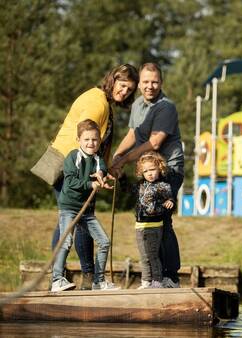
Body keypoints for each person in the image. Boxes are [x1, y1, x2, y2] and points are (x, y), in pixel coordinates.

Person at [50, 64, 139, 290]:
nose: (124, 92)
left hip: (73, 164)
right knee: (76, 219)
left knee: (74, 219)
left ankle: (81, 280)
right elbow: (87, 138)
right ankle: (77, 280)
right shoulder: (97, 102)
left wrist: (106, 169)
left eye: (129, 90)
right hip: (68, 166)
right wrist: (95, 172)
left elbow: (95, 146)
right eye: (122, 86)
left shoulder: (103, 101)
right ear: (112, 80)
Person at [111, 62, 184, 288]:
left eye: (154, 82)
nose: (149, 86)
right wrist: (117, 155)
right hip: (149, 169)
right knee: (148, 219)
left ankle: (170, 276)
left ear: (161, 83)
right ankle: (155, 277)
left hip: (168, 169)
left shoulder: (166, 107)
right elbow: (134, 133)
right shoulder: (138, 105)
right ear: (139, 84)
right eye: (145, 82)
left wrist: (124, 161)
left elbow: (154, 142)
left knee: (163, 220)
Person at [51, 119, 118, 291]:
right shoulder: (73, 156)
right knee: (66, 242)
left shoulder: (98, 159)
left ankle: (98, 281)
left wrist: (102, 177)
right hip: (69, 207)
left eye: (95, 139)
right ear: (78, 140)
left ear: (99, 141)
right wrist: (91, 184)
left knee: (104, 242)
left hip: (86, 210)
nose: (91, 143)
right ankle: (57, 279)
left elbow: (101, 169)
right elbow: (71, 181)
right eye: (87, 139)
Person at [123, 151, 174, 289]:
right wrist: (121, 177)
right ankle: (146, 281)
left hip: (154, 225)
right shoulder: (140, 185)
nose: (149, 173)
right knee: (143, 256)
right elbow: (128, 189)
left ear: (160, 168)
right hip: (140, 225)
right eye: (146, 171)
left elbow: (169, 198)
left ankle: (157, 281)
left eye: (152, 169)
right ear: (141, 172)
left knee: (152, 255)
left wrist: (170, 201)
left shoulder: (162, 186)